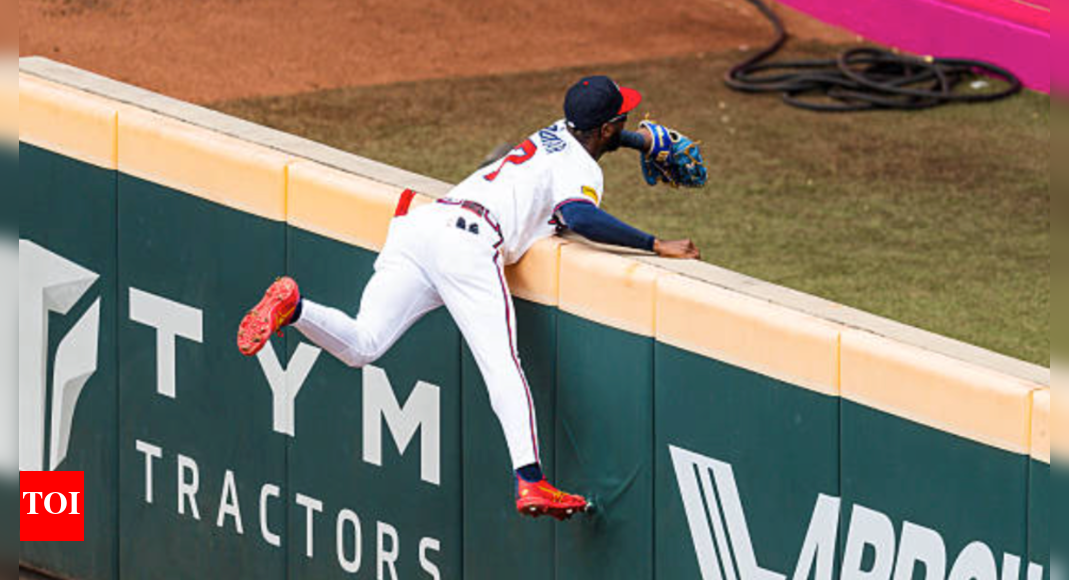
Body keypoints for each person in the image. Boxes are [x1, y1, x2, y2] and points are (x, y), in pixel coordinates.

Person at [237, 76, 701, 521]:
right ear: (604, 128)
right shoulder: (579, 169)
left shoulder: (558, 133)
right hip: (467, 244)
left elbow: (594, 146)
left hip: (421, 227)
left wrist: (641, 140)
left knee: (364, 344)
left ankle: (295, 308)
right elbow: (579, 215)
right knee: (502, 363)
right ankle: (531, 479)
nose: (627, 121)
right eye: (623, 118)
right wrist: (655, 244)